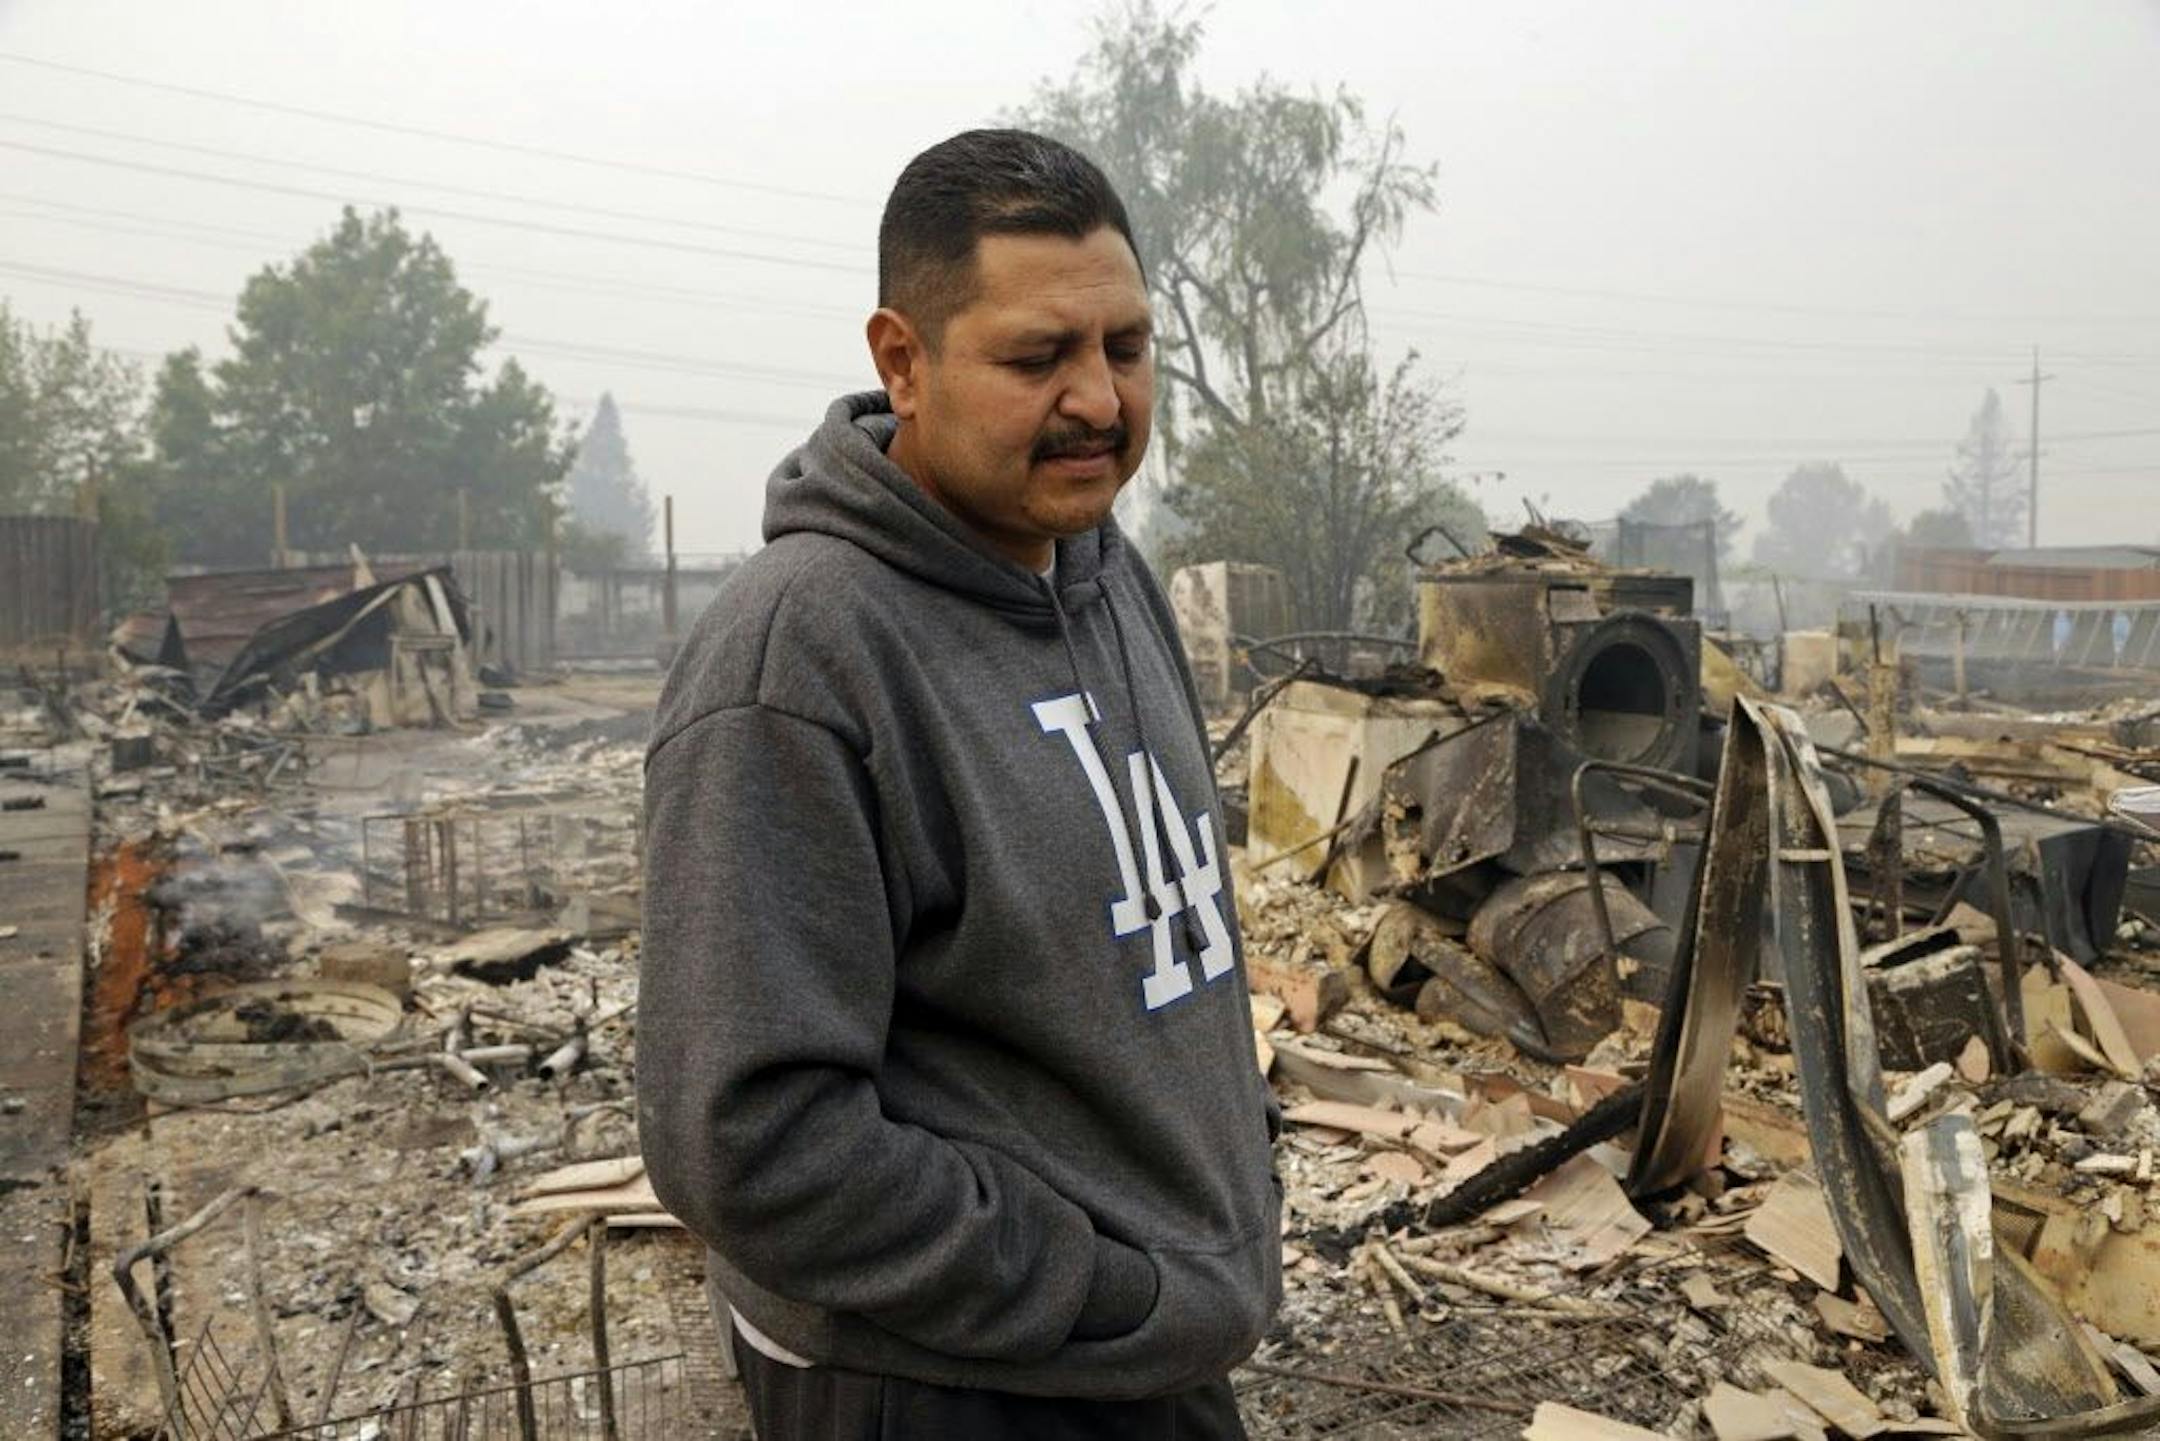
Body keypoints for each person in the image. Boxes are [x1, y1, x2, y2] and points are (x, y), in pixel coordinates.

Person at [637, 128, 1281, 1440]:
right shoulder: (803, 658)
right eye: (1038, 357)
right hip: (952, 1385)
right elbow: (753, 1140)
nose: (1100, 398)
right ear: (902, 362)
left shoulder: (1101, 570)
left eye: (1126, 347)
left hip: (1151, 1343)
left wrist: (1227, 1169)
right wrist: (1085, 1281)